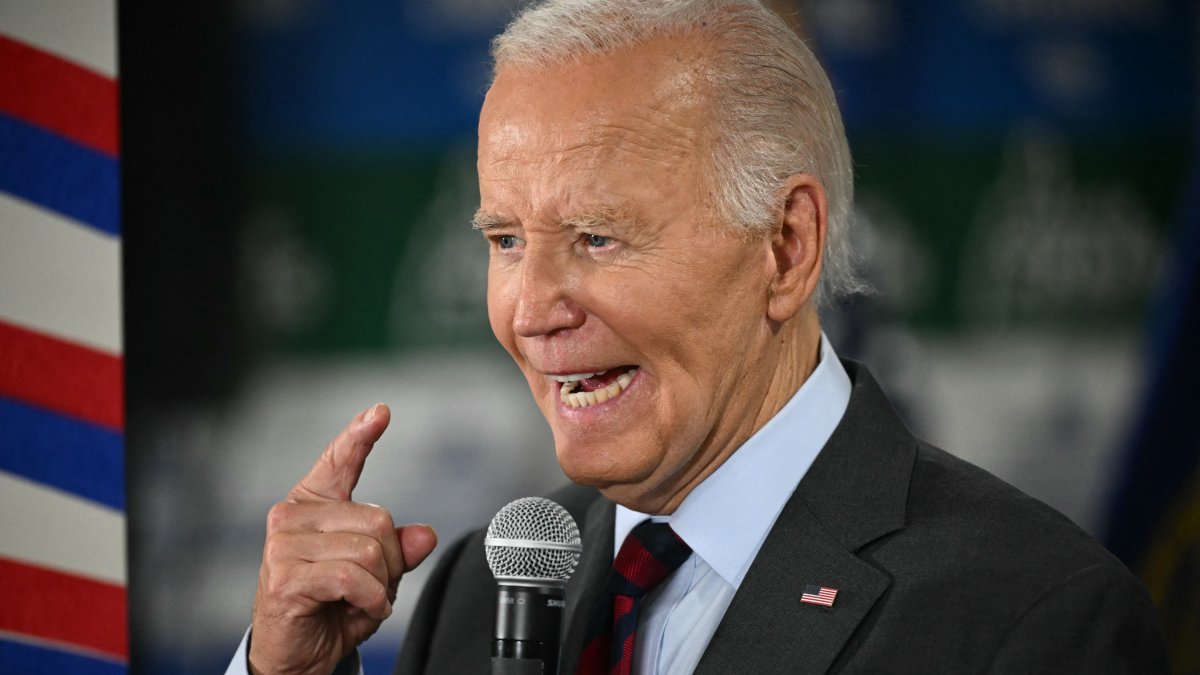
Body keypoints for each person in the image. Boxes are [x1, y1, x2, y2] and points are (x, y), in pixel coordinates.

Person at [228, 1, 1167, 673]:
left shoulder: (1030, 619)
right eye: (507, 241)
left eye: (598, 237)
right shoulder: (480, 593)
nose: (534, 306)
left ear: (786, 247)